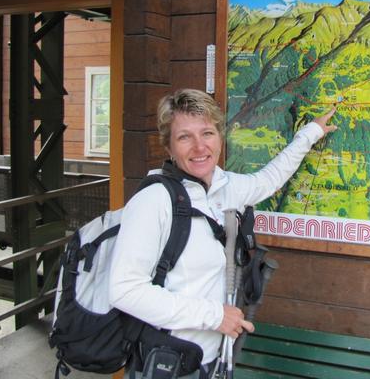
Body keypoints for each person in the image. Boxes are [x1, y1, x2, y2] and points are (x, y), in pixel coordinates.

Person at [109, 88, 336, 378]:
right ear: (168, 147)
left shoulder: (226, 187)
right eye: (184, 137)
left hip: (214, 362)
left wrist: (311, 132)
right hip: (166, 363)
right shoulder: (153, 201)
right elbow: (124, 290)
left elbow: (269, 179)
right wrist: (215, 316)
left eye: (207, 133)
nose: (199, 147)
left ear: (219, 136)